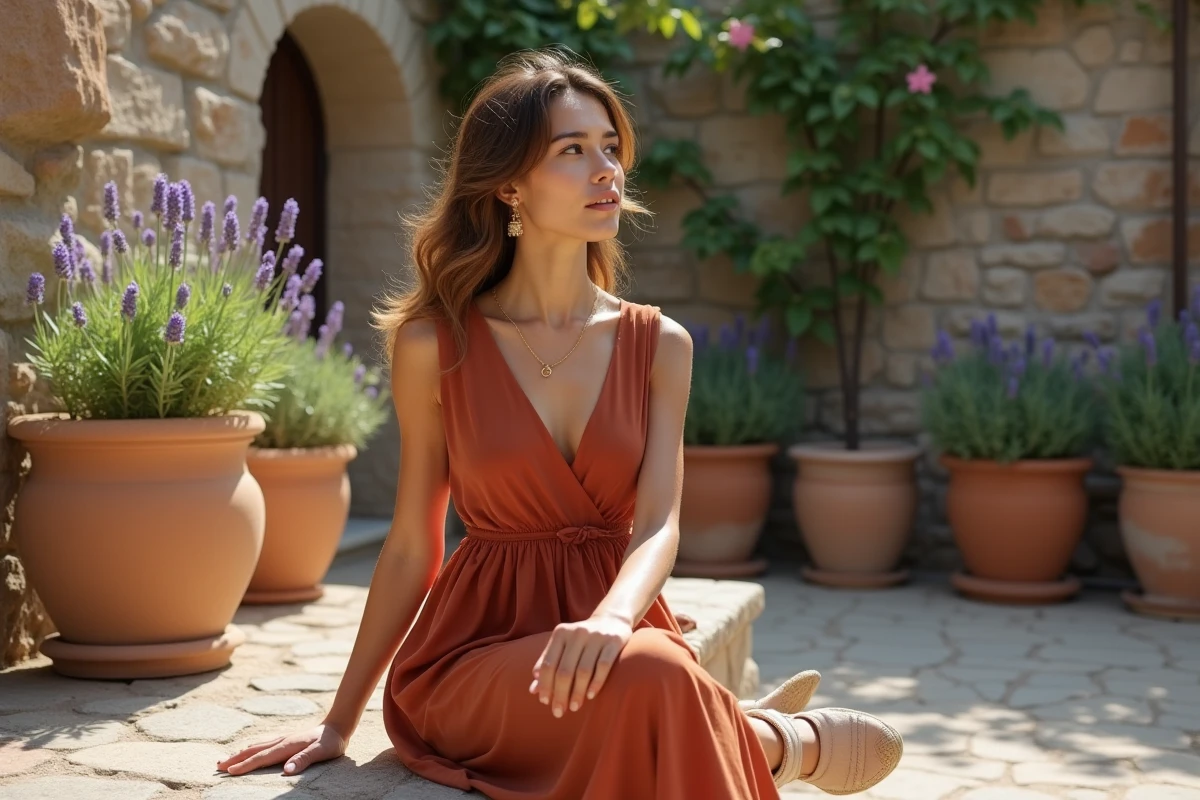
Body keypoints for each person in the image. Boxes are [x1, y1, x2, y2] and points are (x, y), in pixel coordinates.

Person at [217, 48, 903, 798]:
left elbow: (659, 527)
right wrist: (337, 724)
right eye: (573, 151)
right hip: (474, 658)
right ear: (509, 184)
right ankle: (774, 743)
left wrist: (612, 617)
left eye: (611, 148)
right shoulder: (434, 346)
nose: (606, 168)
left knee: (649, 667)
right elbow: (414, 541)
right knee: (657, 671)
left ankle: (754, 733)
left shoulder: (660, 345)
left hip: (614, 634)